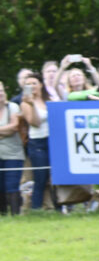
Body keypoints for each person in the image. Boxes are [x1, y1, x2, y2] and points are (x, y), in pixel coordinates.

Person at [19, 72, 52, 210]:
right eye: (28, 84)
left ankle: (57, 207)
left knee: (54, 178)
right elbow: (35, 123)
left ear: (41, 85)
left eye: (34, 83)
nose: (32, 86)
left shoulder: (48, 99)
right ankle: (36, 209)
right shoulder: (25, 103)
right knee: (40, 179)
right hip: (37, 143)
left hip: (52, 141)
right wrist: (32, 105)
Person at [0, 82, 25, 215]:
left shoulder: (13, 107)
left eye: (2, 90)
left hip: (13, 154)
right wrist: (5, 130)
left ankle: (15, 215)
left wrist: (6, 130)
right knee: (0, 186)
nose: (0, 94)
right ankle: (2, 214)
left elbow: (14, 127)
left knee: (12, 185)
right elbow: (8, 129)